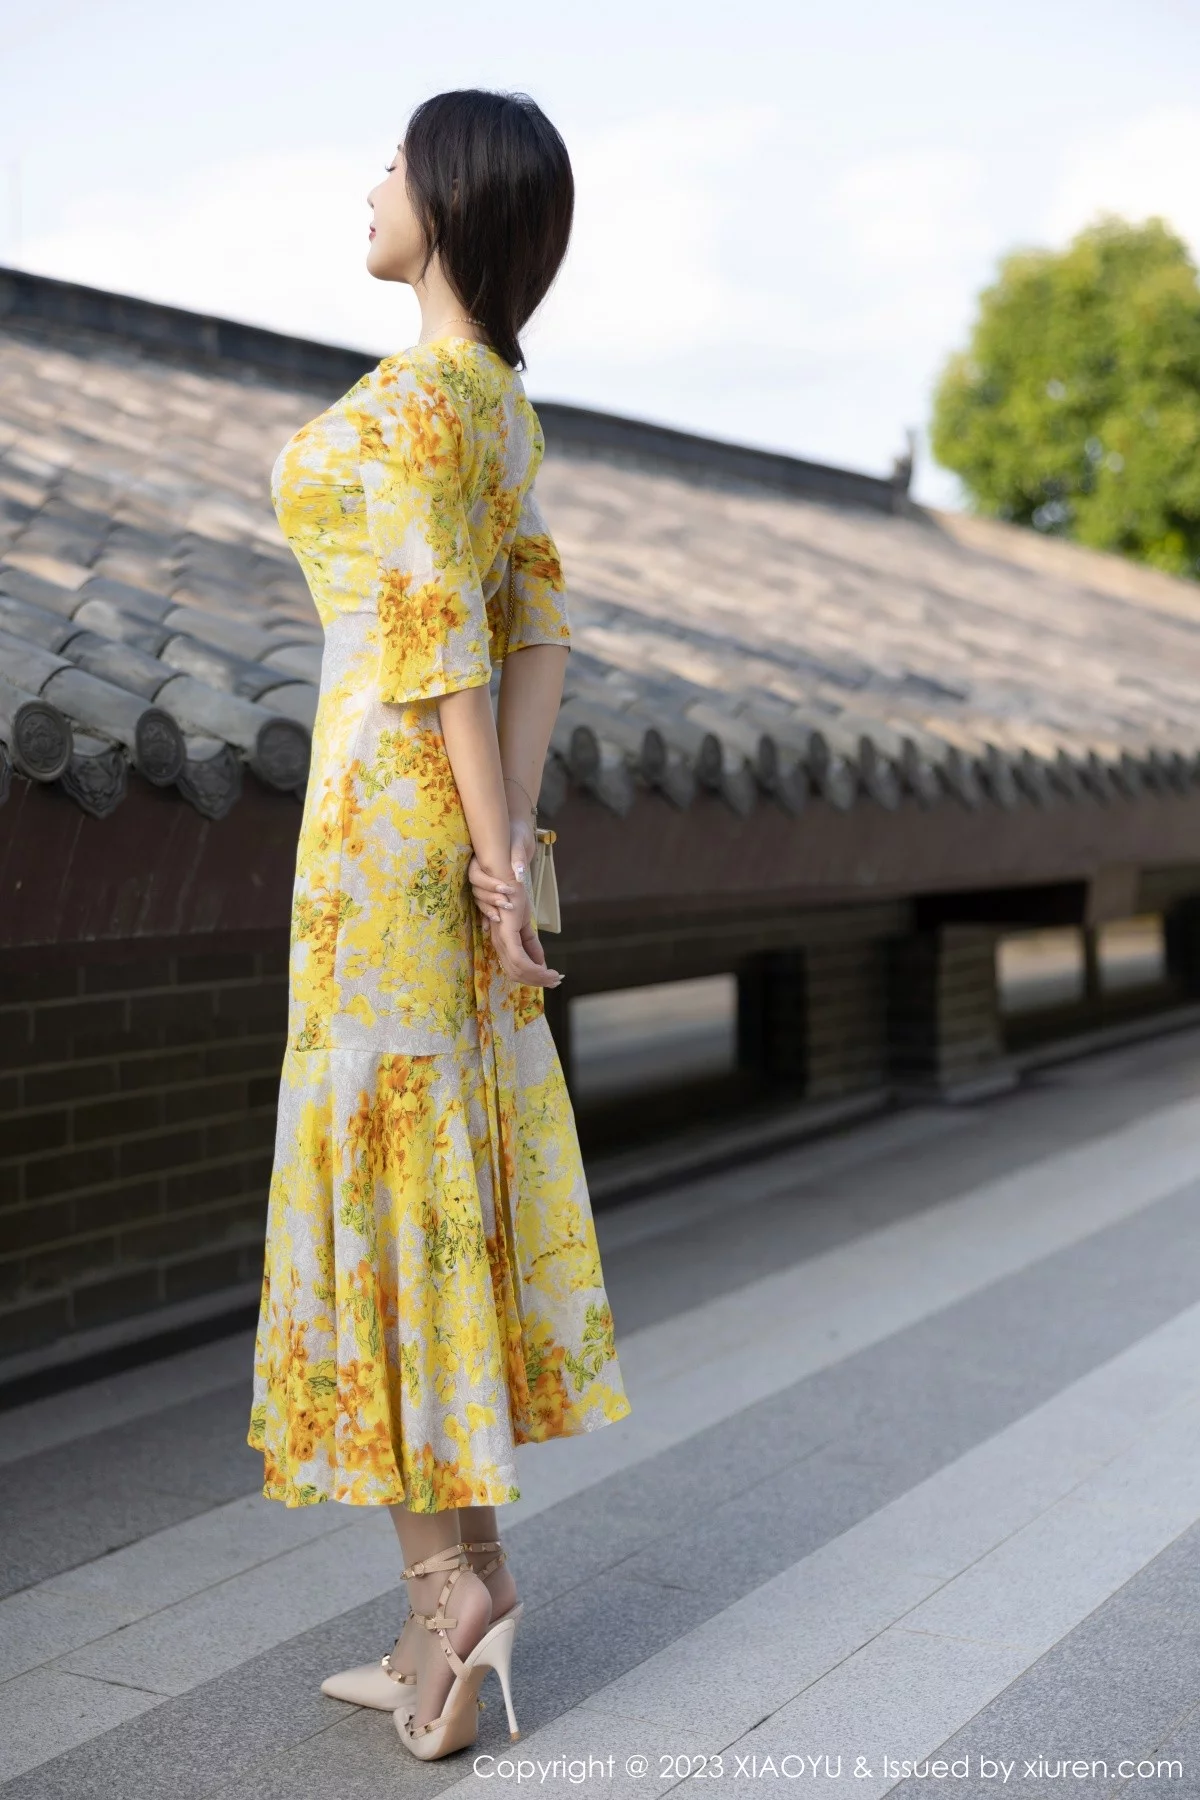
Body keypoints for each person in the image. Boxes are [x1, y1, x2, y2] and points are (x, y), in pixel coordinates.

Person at [246, 88, 632, 1762]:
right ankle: (458, 1597)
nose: (373, 185)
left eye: (395, 164)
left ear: (452, 200)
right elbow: (535, 631)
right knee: (436, 1170)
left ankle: (443, 1596)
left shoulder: (414, 402)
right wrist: (511, 842)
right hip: (453, 831)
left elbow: (447, 655)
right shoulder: (503, 413)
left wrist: (483, 854)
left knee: (388, 1177)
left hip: (380, 834)